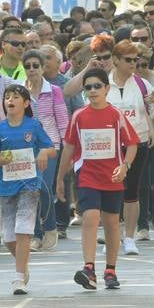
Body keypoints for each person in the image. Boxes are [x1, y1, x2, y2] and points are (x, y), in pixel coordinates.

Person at [58, 67, 139, 290]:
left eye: (97, 86)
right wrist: (59, 179)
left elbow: (132, 144)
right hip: (87, 176)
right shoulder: (79, 116)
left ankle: (110, 271)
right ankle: (89, 268)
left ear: (107, 88)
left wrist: (125, 166)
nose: (93, 91)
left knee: (112, 222)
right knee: (91, 217)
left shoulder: (116, 114)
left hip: (112, 177)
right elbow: (69, 147)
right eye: (88, 87)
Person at [0, 84, 55, 295]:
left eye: (15, 97)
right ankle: (23, 266)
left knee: (23, 232)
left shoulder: (33, 126)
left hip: (29, 186)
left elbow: (51, 148)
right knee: (8, 238)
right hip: (5, 188)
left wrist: (43, 153)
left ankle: (18, 279)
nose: (10, 100)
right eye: (7, 97)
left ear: (25, 103)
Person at [105, 39, 154, 255]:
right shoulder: (103, 84)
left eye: (135, 60)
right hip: (109, 145)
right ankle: (113, 236)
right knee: (110, 193)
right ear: (116, 60)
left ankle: (129, 238)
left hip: (137, 143)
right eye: (128, 60)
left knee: (132, 192)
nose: (133, 64)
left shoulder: (142, 84)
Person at [22, 47, 68, 250]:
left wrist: (68, 149)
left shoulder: (54, 91)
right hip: (25, 147)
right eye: (28, 66)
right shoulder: (19, 91)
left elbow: (63, 121)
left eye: (35, 66)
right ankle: (35, 234)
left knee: (44, 187)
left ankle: (50, 227)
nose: (31, 69)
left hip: (50, 146)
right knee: (30, 190)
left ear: (42, 68)